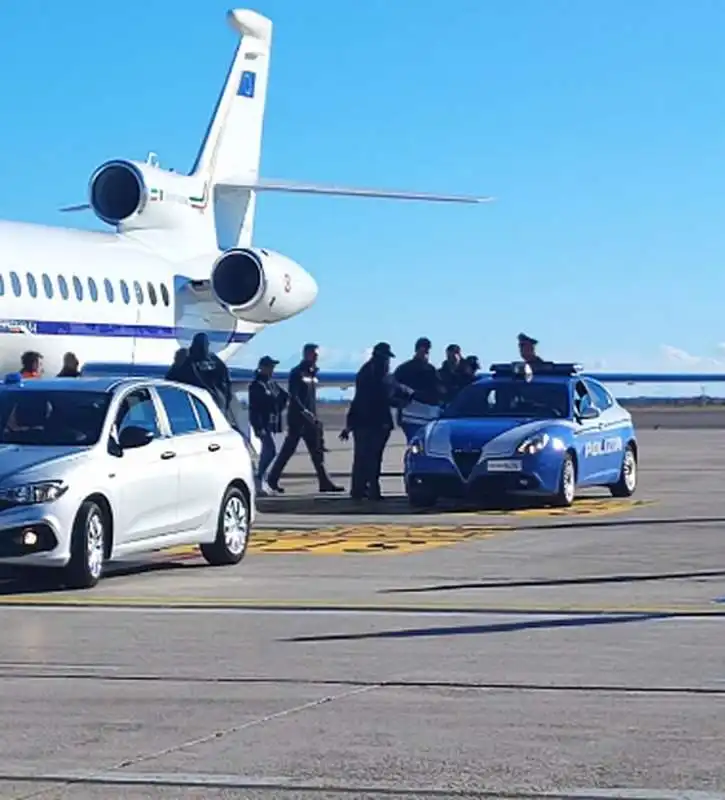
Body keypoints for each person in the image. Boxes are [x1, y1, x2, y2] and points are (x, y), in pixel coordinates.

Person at [265, 343, 343, 494]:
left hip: (311, 419)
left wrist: (313, 415)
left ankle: (324, 481)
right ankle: (272, 480)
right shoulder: (297, 373)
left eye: (317, 355)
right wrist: (304, 411)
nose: (316, 357)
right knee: (287, 451)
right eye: (314, 354)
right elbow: (294, 396)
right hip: (298, 419)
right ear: (306, 354)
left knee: (317, 452)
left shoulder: (313, 374)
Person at [339, 342, 399, 501]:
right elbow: (387, 395)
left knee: (362, 457)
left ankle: (359, 489)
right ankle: (372, 489)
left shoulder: (365, 372)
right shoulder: (380, 375)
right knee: (373, 457)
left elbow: (359, 399)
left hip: (362, 421)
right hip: (375, 422)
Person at [248, 356, 288, 495]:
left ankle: (262, 480)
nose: (272, 370)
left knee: (269, 451)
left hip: (272, 424)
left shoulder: (271, 384)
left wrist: (278, 409)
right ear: (262, 368)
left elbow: (284, 397)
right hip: (263, 424)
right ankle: (259, 478)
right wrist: (258, 427)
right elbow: (255, 408)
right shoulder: (256, 385)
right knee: (270, 451)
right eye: (270, 367)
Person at [172, 333, 234, 424]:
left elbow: (226, 381)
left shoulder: (189, 362)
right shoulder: (213, 361)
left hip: (208, 402)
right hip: (205, 402)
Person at [393, 337, 443, 442]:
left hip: (425, 414)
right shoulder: (404, 369)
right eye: (423, 350)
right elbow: (395, 389)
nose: (425, 353)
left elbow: (437, 392)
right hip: (410, 414)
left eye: (426, 351)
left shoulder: (431, 370)